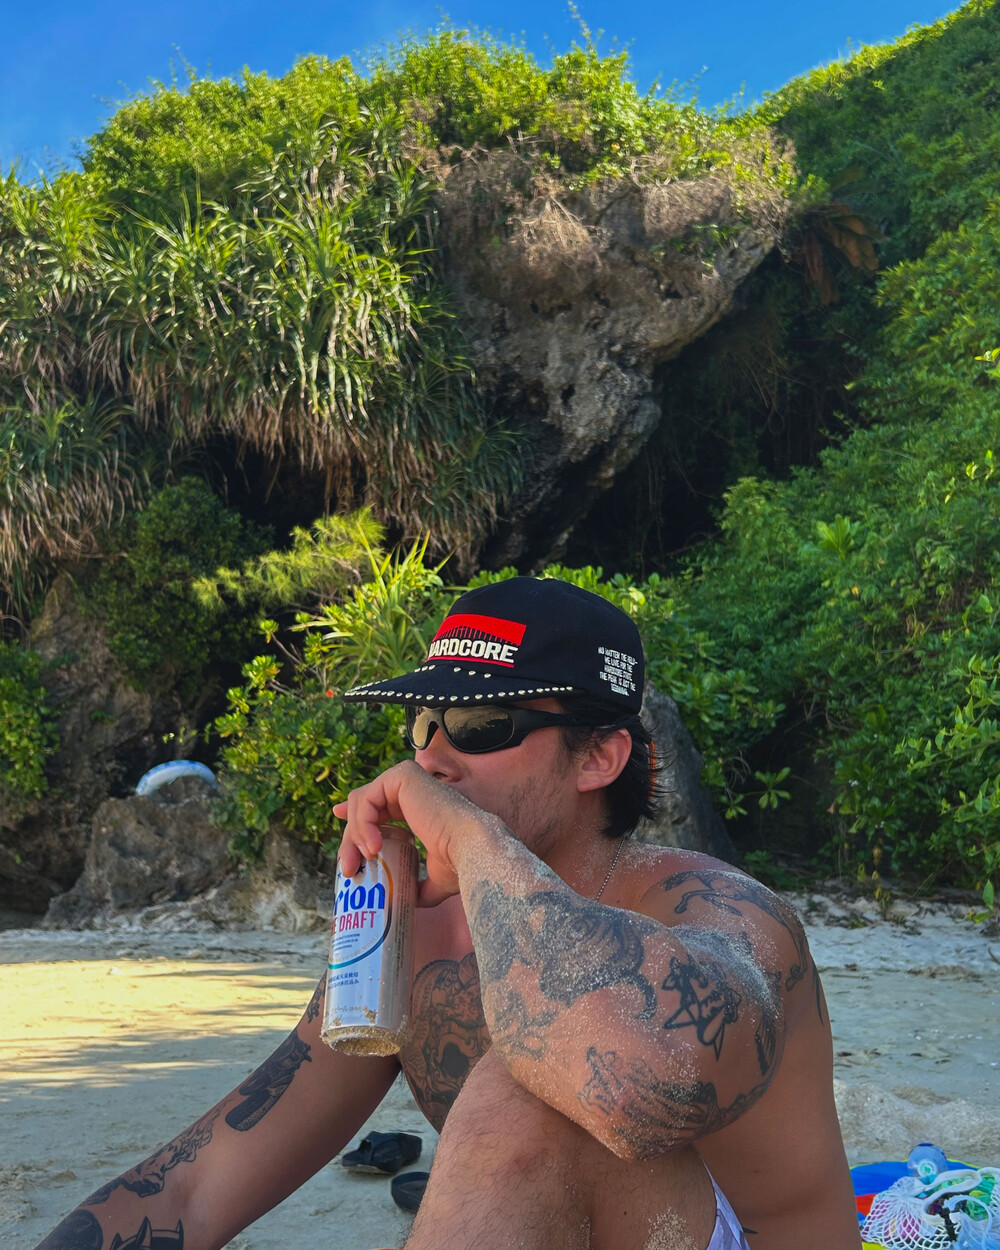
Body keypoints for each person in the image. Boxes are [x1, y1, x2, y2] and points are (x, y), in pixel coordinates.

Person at [37, 577, 862, 1250]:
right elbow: (193, 1188)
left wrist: (469, 839)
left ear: (599, 757)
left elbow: (634, 1086)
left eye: (479, 724)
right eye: (424, 722)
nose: (429, 757)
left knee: (530, 1083)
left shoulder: (724, 913)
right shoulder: (417, 944)